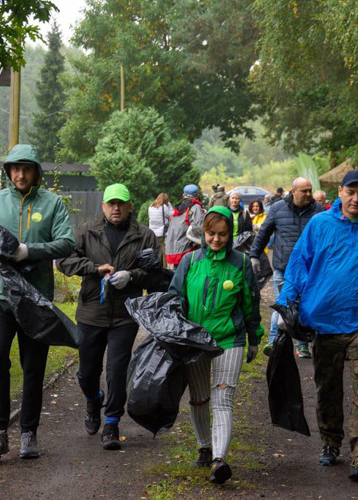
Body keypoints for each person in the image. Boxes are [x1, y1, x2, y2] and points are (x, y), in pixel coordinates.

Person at [278, 170, 358, 481]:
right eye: (350, 192)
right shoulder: (320, 224)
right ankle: (331, 442)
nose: (356, 199)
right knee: (328, 387)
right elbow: (298, 263)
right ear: (340, 192)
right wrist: (286, 303)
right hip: (325, 321)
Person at [0, 144, 75, 460]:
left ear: (36, 171)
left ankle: (28, 434)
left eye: (26, 168)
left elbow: (67, 243)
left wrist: (29, 251)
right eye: (14, 168)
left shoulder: (52, 204)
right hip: (0, 295)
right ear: (8, 171)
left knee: (33, 367)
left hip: (35, 300)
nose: (20, 174)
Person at [57, 183, 162, 450]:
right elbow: (64, 261)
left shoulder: (145, 236)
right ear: (103, 206)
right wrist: (94, 268)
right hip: (91, 312)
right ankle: (93, 399)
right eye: (111, 203)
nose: (116, 208)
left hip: (126, 314)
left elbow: (154, 272)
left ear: (129, 206)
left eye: (121, 203)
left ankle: (112, 423)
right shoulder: (86, 232)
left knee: (117, 370)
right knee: (87, 372)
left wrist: (132, 276)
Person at [168, 206, 263, 485]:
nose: (216, 240)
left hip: (229, 339)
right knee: (199, 398)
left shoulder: (241, 263)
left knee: (223, 399)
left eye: (222, 235)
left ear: (230, 234)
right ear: (203, 232)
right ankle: (204, 446)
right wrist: (175, 335)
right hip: (196, 340)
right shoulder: (188, 261)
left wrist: (254, 338)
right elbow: (175, 299)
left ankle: (219, 460)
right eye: (211, 234)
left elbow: (250, 303)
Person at [249, 178, 325, 358]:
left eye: (310, 190)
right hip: (284, 267)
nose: (308, 194)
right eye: (304, 191)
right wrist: (254, 255)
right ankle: (274, 342)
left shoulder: (319, 212)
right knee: (282, 305)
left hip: (310, 269)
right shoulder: (277, 209)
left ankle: (302, 344)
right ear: (293, 191)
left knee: (305, 306)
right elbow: (263, 233)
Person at [165, 184, 204, 267]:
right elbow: (199, 228)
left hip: (174, 249)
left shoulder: (178, 207)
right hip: (187, 249)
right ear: (197, 195)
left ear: (183, 195)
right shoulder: (196, 207)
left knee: (178, 276)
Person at [148, 192, 172, 266]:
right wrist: (170, 205)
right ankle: (164, 267)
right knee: (163, 252)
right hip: (161, 233)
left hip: (152, 232)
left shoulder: (151, 207)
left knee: (154, 251)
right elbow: (172, 214)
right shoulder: (164, 207)